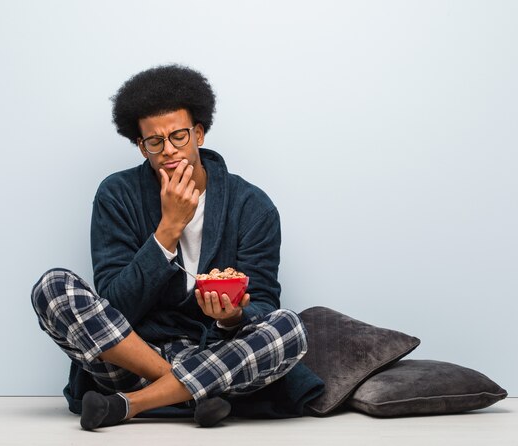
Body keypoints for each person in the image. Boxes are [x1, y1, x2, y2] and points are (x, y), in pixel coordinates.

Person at [31, 64, 322, 430]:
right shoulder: (117, 195)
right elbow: (114, 306)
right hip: (134, 359)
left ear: (198, 133)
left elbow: (264, 304)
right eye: (155, 141)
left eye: (179, 136)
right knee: (52, 288)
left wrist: (230, 316)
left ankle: (130, 406)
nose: (168, 150)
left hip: (216, 354)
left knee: (289, 328)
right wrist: (167, 230)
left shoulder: (252, 206)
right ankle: (187, 392)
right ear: (141, 146)